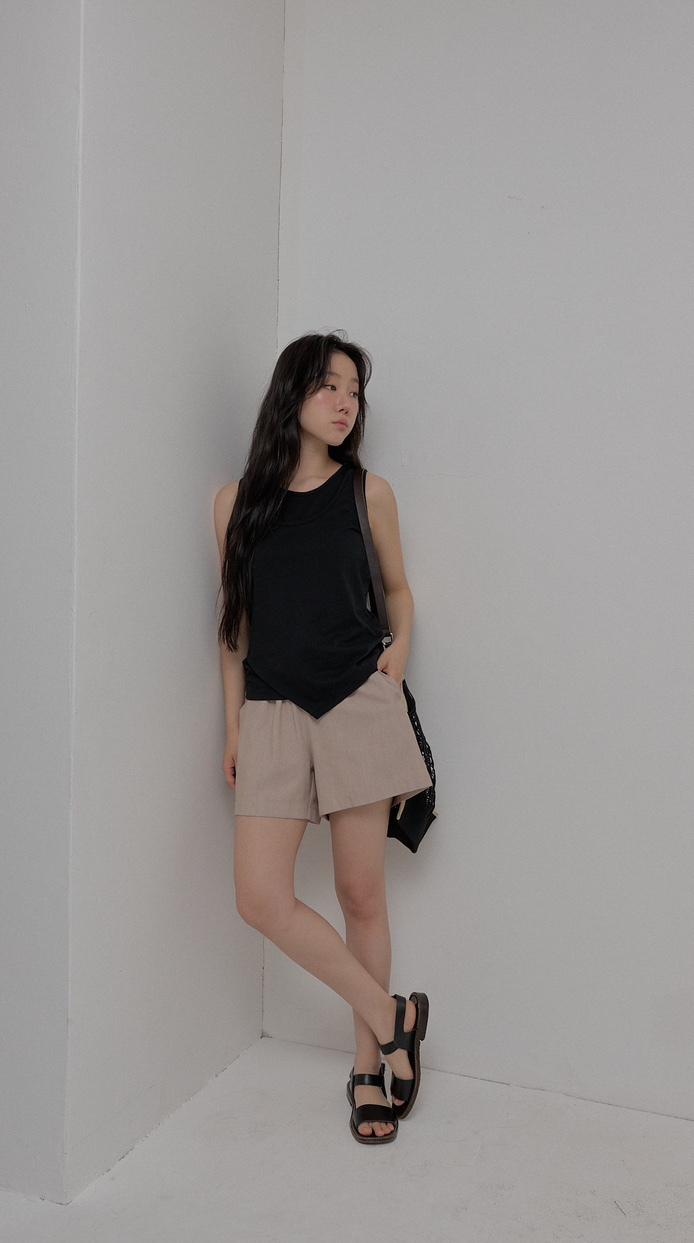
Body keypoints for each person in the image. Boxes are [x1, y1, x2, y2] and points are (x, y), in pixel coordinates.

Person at [213, 332, 431, 1145]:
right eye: (330, 386)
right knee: (259, 897)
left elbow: (400, 592)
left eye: (355, 392)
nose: (345, 403)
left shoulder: (368, 493)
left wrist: (399, 653)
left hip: (355, 702)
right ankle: (393, 1014)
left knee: (359, 894)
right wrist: (234, 721)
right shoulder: (235, 504)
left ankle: (369, 1069)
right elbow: (233, 627)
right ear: (292, 394)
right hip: (271, 709)